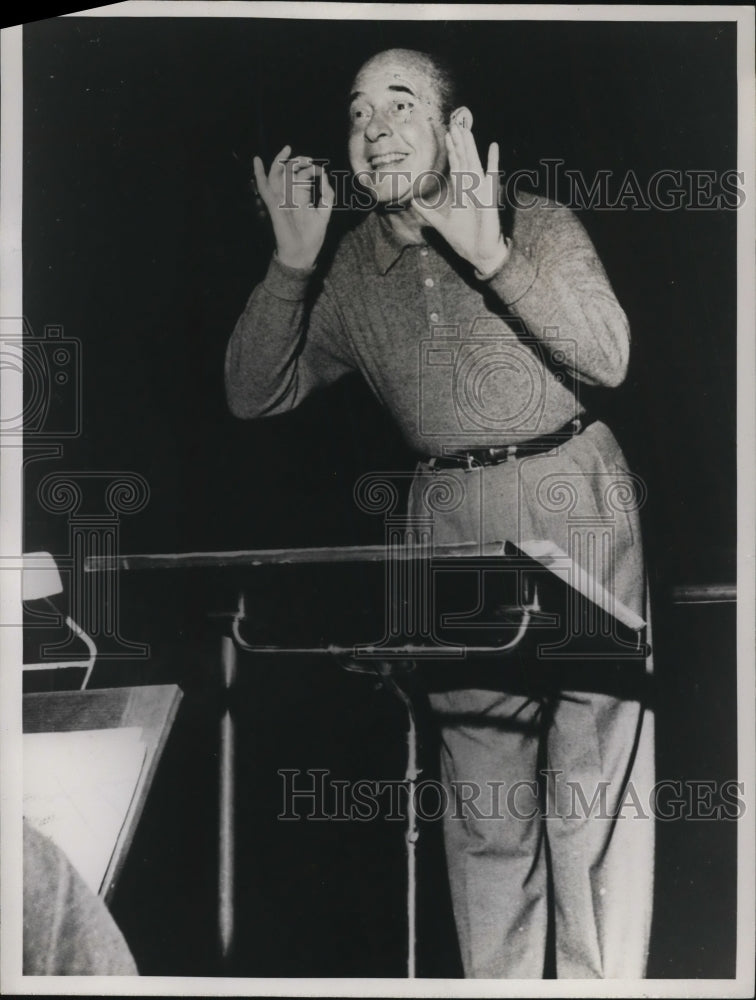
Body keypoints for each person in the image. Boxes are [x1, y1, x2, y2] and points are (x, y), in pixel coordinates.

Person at [225, 47, 654, 979]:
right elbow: (254, 394)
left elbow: (610, 357)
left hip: (574, 500)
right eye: (357, 112)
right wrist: (290, 266)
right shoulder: (351, 269)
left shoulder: (533, 222)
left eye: (401, 104)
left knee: (595, 809)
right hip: (448, 529)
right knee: (485, 820)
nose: (373, 127)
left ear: (455, 129)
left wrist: (492, 255)